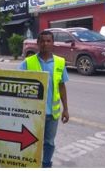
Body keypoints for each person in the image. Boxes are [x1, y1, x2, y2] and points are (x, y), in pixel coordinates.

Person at [19, 31, 69, 168]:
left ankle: (46, 165)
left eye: (48, 41)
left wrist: (66, 109)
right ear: (37, 43)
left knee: (49, 143)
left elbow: (62, 86)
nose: (45, 43)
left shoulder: (60, 62)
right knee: (30, 143)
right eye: (42, 41)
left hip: (52, 114)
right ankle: (30, 165)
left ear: (52, 43)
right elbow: (16, 84)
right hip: (33, 114)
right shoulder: (27, 63)